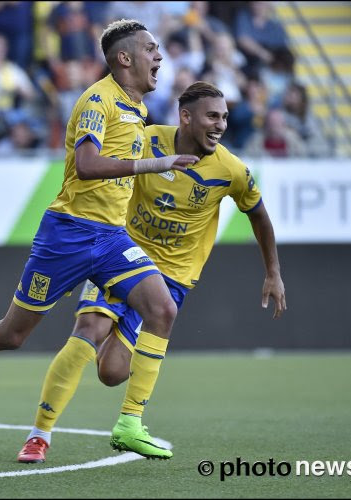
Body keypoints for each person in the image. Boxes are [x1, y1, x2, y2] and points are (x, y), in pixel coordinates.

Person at [0, 19, 199, 460]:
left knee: (162, 308)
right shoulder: (98, 100)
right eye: (151, 49)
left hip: (112, 239)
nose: (160, 57)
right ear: (124, 58)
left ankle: (130, 421)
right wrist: (156, 165)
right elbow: (89, 164)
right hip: (68, 234)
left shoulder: (137, 110)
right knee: (11, 333)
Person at [16, 81, 287, 463]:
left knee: (111, 373)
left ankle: (124, 403)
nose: (221, 124)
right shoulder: (146, 141)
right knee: (88, 331)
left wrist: (272, 272)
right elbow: (103, 162)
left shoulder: (231, 170)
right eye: (213, 116)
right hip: (120, 254)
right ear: (186, 117)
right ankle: (39, 435)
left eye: (224, 117)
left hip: (173, 276)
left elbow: (259, 215)